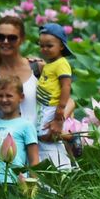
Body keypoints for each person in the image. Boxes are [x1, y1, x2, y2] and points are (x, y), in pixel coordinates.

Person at [35, 23, 77, 169]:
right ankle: (68, 139)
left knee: (45, 135)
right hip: (44, 105)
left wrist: (61, 108)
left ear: (61, 46)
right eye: (42, 46)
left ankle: (70, 138)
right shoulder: (50, 64)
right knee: (41, 132)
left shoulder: (62, 63)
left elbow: (66, 86)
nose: (44, 49)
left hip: (53, 106)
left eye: (49, 46)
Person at [0, 15, 40, 123]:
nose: (5, 41)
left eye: (12, 38)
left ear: (22, 39)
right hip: (5, 138)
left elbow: (68, 101)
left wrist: (57, 122)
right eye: (0, 37)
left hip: (37, 138)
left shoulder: (37, 68)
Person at [0, 80, 39, 185]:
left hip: (14, 182)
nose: (4, 99)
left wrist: (32, 186)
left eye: (9, 96)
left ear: (21, 97)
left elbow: (34, 161)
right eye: (0, 96)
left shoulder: (26, 125)